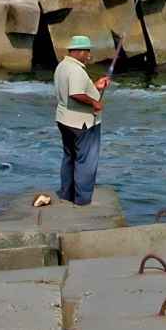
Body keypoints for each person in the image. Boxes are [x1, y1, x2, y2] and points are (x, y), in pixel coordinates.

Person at [54, 35, 110, 206]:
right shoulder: (77, 70)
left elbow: (76, 89)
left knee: (69, 157)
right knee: (86, 161)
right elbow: (76, 94)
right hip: (82, 123)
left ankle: (67, 194)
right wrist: (95, 103)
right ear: (79, 52)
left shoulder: (63, 66)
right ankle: (82, 200)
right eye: (87, 52)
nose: (89, 56)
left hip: (65, 120)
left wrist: (95, 86)